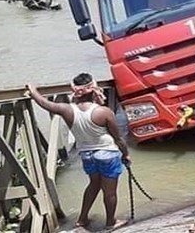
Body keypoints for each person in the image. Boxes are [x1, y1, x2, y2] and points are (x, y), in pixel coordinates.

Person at [26, 74, 130, 230]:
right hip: (107, 153)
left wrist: (33, 91)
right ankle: (110, 223)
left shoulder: (67, 109)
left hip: (87, 155)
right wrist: (126, 154)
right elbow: (118, 138)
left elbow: (44, 103)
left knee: (93, 184)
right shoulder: (103, 111)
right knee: (110, 192)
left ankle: (82, 219)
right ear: (92, 89)